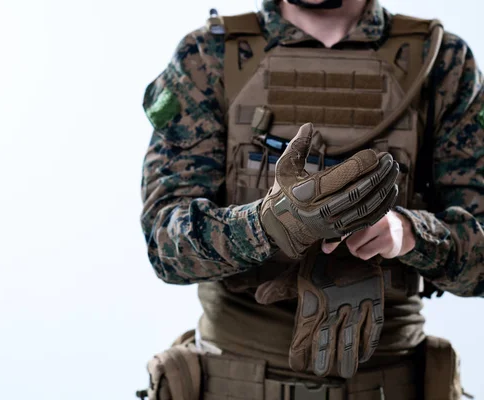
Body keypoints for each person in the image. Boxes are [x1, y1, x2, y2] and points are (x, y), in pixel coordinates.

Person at [139, 0, 483, 398]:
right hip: (234, 380)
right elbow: (164, 244)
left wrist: (407, 232)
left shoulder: (440, 60)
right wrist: (270, 225)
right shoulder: (211, 55)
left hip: (393, 381)